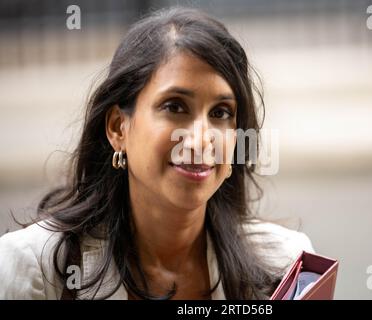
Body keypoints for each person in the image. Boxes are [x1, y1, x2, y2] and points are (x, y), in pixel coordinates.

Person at [0, 6, 314, 300]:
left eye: (220, 113)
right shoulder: (35, 270)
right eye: (175, 107)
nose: (200, 140)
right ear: (118, 128)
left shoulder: (285, 267)